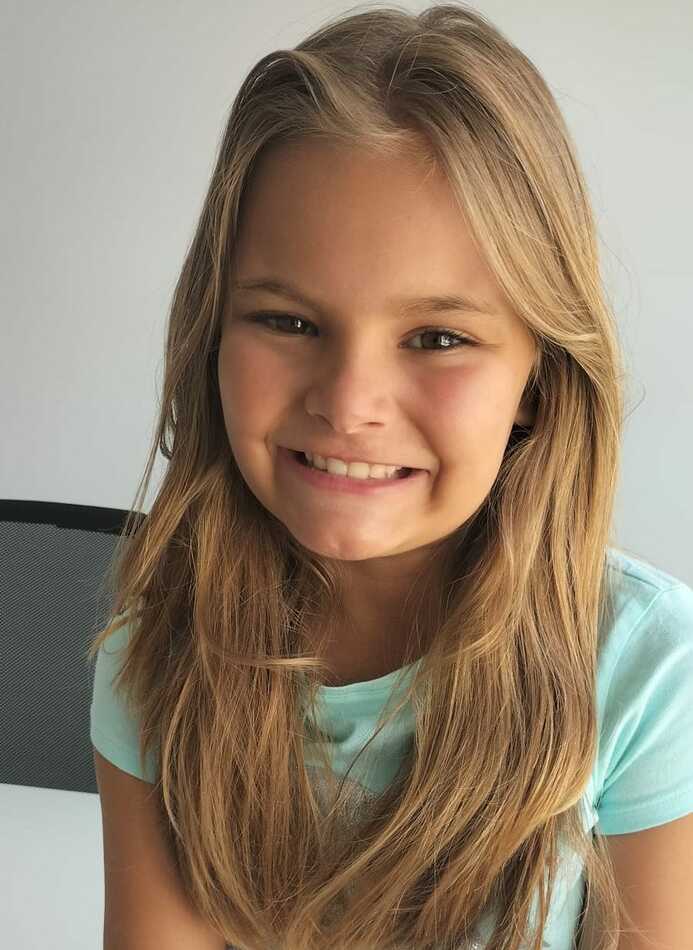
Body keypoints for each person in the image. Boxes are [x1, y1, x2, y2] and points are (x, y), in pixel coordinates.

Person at [87, 4, 693, 948]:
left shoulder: (649, 671)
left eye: (438, 338)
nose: (347, 403)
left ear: (537, 378)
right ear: (212, 336)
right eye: (289, 322)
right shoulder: (154, 654)